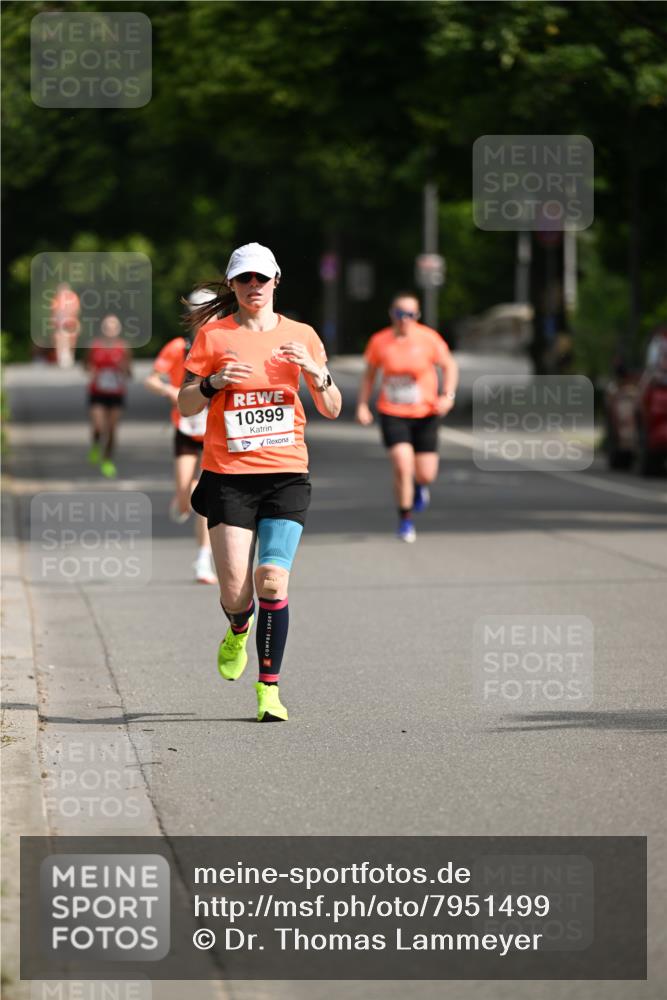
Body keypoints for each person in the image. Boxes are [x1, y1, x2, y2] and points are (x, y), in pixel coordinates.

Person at [178, 242, 341, 722]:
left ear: (276, 281)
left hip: (286, 472)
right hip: (229, 475)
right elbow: (186, 405)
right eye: (245, 279)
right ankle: (237, 628)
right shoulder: (214, 336)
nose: (254, 286)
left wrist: (316, 372)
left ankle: (269, 689)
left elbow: (332, 408)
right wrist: (211, 384)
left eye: (262, 278)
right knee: (235, 590)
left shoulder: (302, 335)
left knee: (271, 580)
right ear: (232, 284)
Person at [356, 291, 458, 542]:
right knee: (402, 465)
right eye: (400, 314)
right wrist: (362, 405)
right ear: (392, 314)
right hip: (392, 412)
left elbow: (449, 366)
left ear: (417, 315)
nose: (405, 319)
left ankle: (421, 486)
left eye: (410, 314)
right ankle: (405, 520)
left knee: (426, 474)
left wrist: (448, 395)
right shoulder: (380, 341)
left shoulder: (428, 339)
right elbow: (369, 375)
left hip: (425, 412)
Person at [143, 289, 218, 585]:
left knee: (204, 495)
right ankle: (181, 500)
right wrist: (169, 390)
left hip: (214, 430)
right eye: (202, 313)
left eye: (211, 312)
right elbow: (151, 378)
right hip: (186, 428)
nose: (207, 318)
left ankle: (203, 559)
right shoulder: (179, 347)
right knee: (187, 495)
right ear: (192, 317)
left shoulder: (224, 344)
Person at [84, 314, 132, 479]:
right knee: (98, 425)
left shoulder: (123, 347)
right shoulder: (94, 346)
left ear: (118, 329)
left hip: (116, 393)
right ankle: (96, 445)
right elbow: (86, 366)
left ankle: (107, 460)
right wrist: (93, 372)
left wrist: (123, 368)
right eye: (108, 326)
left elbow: (129, 373)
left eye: (114, 327)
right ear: (103, 329)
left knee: (112, 429)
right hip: (97, 392)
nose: (111, 330)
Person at [50, 281, 81, 368]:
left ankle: (69, 357)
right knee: (61, 340)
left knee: (71, 341)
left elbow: (76, 311)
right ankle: (62, 358)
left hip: (71, 322)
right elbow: (55, 312)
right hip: (61, 323)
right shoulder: (57, 299)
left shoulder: (73, 297)